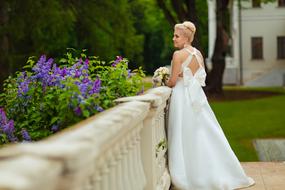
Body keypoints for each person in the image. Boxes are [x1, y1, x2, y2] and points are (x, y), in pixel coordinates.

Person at [166, 21, 255, 190]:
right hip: (197, 97)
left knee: (182, 132)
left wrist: (163, 80)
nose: (173, 39)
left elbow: (172, 81)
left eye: (176, 36)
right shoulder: (198, 54)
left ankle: (188, 171)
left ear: (185, 38)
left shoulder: (178, 55)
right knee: (203, 131)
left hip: (182, 97)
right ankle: (214, 169)